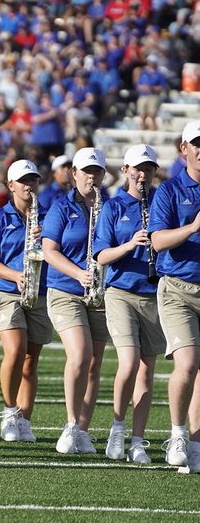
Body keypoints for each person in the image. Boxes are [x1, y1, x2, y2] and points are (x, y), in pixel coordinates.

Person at [93, 144, 164, 464]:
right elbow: (101, 256)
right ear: (125, 170)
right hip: (120, 291)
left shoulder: (160, 204)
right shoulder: (114, 206)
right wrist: (131, 243)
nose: (142, 174)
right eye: (137, 168)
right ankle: (117, 428)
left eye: (148, 169)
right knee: (129, 362)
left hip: (153, 293)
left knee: (147, 370)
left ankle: (137, 439)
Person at [0, 160, 52, 443]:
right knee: (16, 350)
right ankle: (9, 411)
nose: (29, 185)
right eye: (23, 181)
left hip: (41, 291)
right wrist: (15, 275)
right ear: (11, 186)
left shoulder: (48, 217)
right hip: (6, 291)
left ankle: (25, 420)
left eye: (33, 180)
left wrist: (45, 237)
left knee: (31, 361)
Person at [41, 147, 109, 455]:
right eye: (86, 172)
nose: (91, 177)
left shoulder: (110, 207)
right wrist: (79, 273)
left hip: (99, 292)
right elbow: (50, 250)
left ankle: (83, 429)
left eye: (96, 172)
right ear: (74, 174)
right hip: (65, 289)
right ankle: (70, 424)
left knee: (95, 364)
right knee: (80, 355)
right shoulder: (60, 207)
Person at [148, 121, 200, 473]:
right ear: (184, 149)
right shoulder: (170, 190)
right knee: (188, 363)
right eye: (197, 143)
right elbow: (157, 241)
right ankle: (178, 433)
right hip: (178, 288)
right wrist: (194, 227)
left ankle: (195, 444)